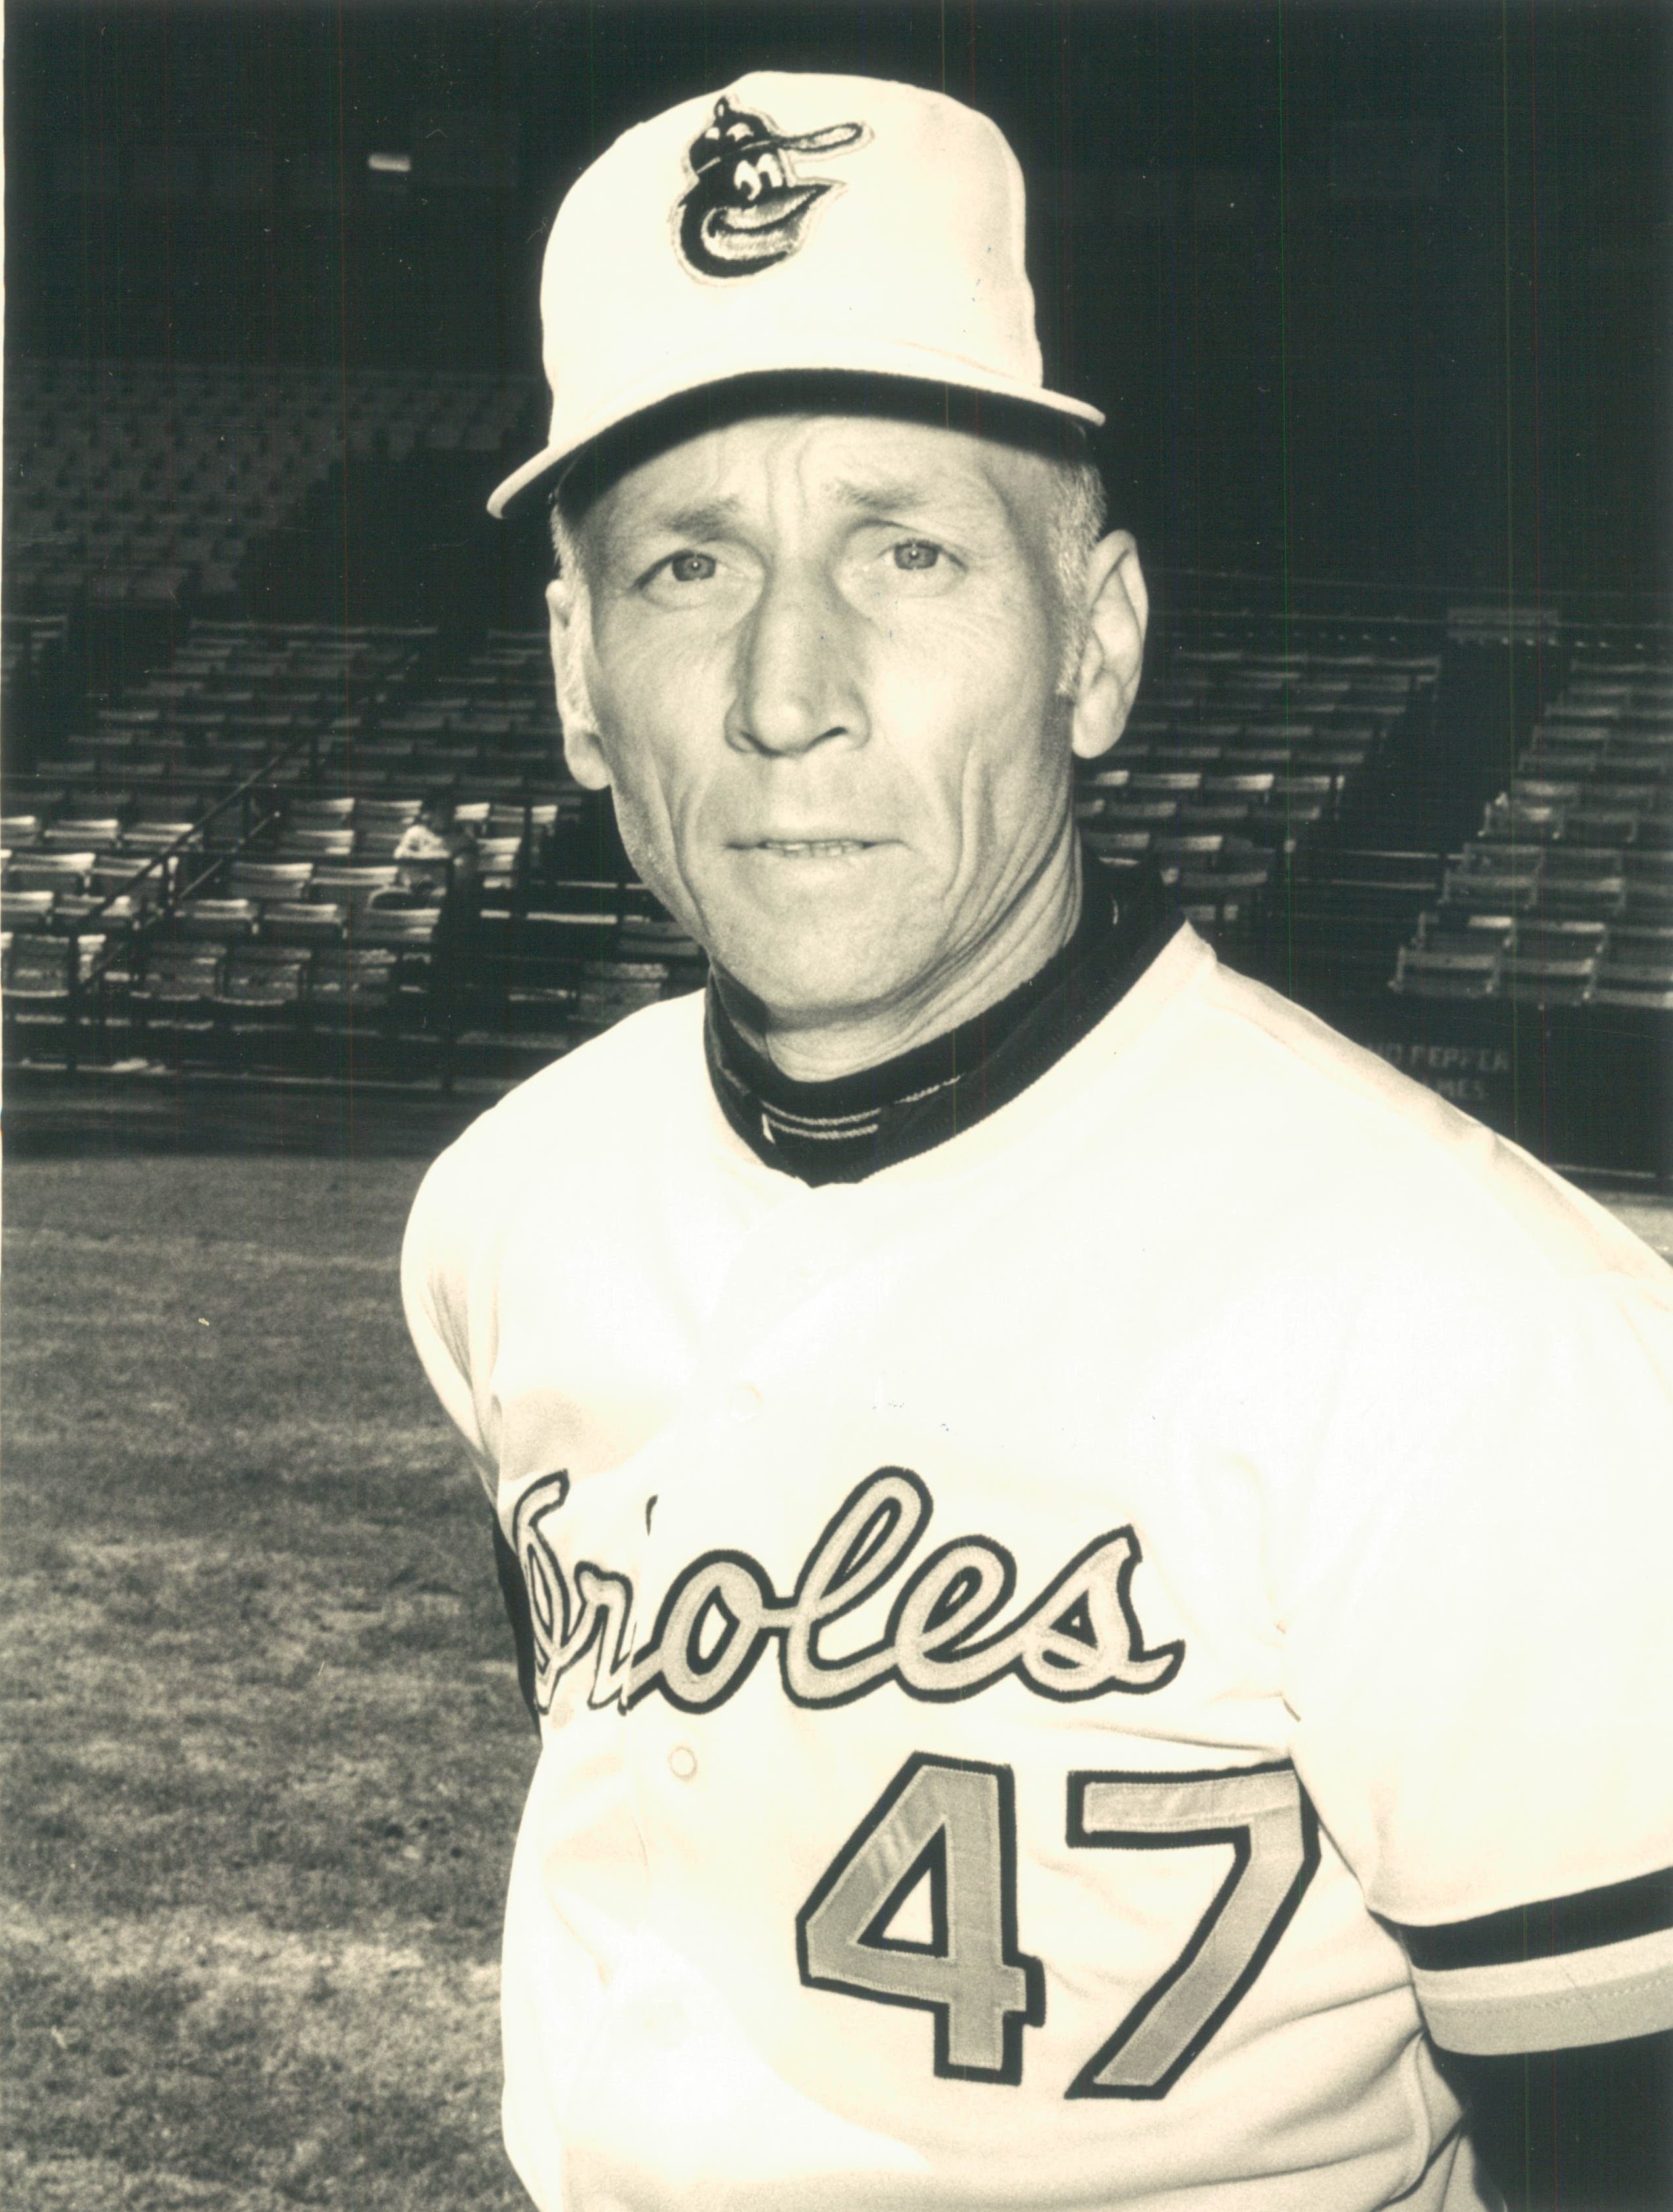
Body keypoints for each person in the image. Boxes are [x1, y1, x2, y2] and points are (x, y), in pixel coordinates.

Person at [403, 71, 1673, 2212]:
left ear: (1095, 645)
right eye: (688, 564)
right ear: (575, 675)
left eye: (907, 551)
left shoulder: (1482, 1339)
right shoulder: (506, 1210)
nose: (785, 688)